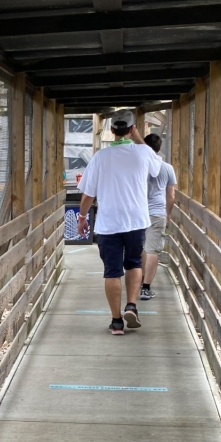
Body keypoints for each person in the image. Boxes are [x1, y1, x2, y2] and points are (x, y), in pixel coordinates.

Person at [76, 109, 162, 335]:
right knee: (134, 263)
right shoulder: (143, 152)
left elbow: (88, 195)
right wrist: (138, 138)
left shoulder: (100, 157)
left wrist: (82, 218)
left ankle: (116, 322)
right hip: (136, 221)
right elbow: (156, 168)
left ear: (111, 130)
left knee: (112, 271)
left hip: (108, 223)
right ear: (132, 129)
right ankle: (131, 306)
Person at [139, 133, 176, 301]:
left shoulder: (138, 165)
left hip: (137, 212)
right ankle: (146, 288)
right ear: (159, 148)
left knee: (141, 248)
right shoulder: (167, 168)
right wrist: (168, 213)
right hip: (157, 212)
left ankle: (138, 280)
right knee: (152, 249)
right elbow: (171, 195)